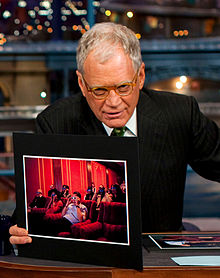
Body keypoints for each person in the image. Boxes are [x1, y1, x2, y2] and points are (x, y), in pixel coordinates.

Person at [9, 22, 220, 245]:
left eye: (123, 88)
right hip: (88, 260)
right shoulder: (54, 123)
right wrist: (17, 231)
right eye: (99, 90)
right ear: (81, 83)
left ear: (140, 77)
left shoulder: (180, 113)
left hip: (159, 256)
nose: (113, 103)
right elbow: (25, 215)